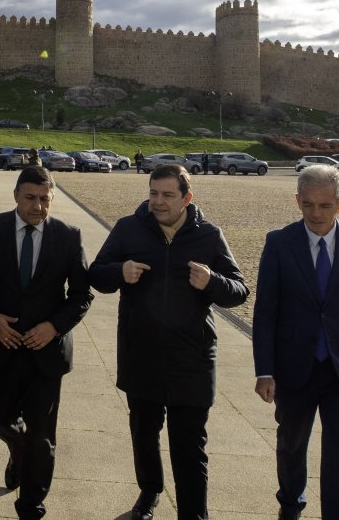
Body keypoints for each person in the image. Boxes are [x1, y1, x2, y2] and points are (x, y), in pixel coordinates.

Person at [88, 164, 248, 520]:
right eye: (153, 193)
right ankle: (148, 495)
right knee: (144, 435)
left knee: (189, 446)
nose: (157, 202)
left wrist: (212, 282)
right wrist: (120, 272)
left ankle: (194, 514)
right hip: (141, 354)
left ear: (187, 198)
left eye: (167, 195)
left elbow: (240, 291)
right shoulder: (129, 229)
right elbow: (96, 274)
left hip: (192, 360)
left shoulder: (208, 235)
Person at [252, 164, 339, 520]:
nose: (315, 213)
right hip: (295, 369)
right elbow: (266, 311)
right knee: (291, 448)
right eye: (308, 204)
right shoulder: (280, 243)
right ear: (297, 201)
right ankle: (291, 505)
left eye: (325, 206)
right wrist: (265, 371)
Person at [0, 166, 93, 519]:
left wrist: (54, 326)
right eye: (30, 198)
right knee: (2, 415)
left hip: (46, 353)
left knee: (42, 435)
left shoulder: (68, 235)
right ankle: (18, 452)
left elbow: (81, 295)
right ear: (17, 196)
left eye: (45, 199)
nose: (37, 206)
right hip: (1, 347)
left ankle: (31, 505)